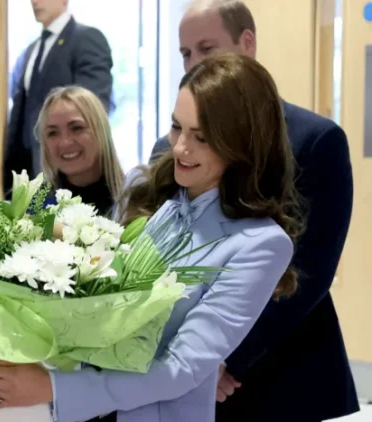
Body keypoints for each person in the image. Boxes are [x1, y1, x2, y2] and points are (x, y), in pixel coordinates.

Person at [0, 53, 301, 422]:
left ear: (242, 144)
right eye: (177, 127)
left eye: (201, 137)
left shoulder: (260, 244)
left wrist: (52, 387)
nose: (179, 148)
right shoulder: (159, 198)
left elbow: (180, 369)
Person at [149, 1, 357, 420]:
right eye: (185, 54)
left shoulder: (317, 141)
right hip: (193, 381)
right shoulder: (170, 151)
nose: (194, 64)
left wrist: (226, 358)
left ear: (247, 43)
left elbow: (308, 271)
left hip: (286, 372)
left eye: (206, 49)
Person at [3, 0, 113, 198]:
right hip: (30, 178)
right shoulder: (31, 51)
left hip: (72, 182)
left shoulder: (86, 39)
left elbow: (94, 108)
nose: (35, 2)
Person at [37, 85, 125, 217]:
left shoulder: (133, 202)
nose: (65, 142)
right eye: (53, 133)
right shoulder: (38, 204)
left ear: (101, 131)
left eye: (77, 128)